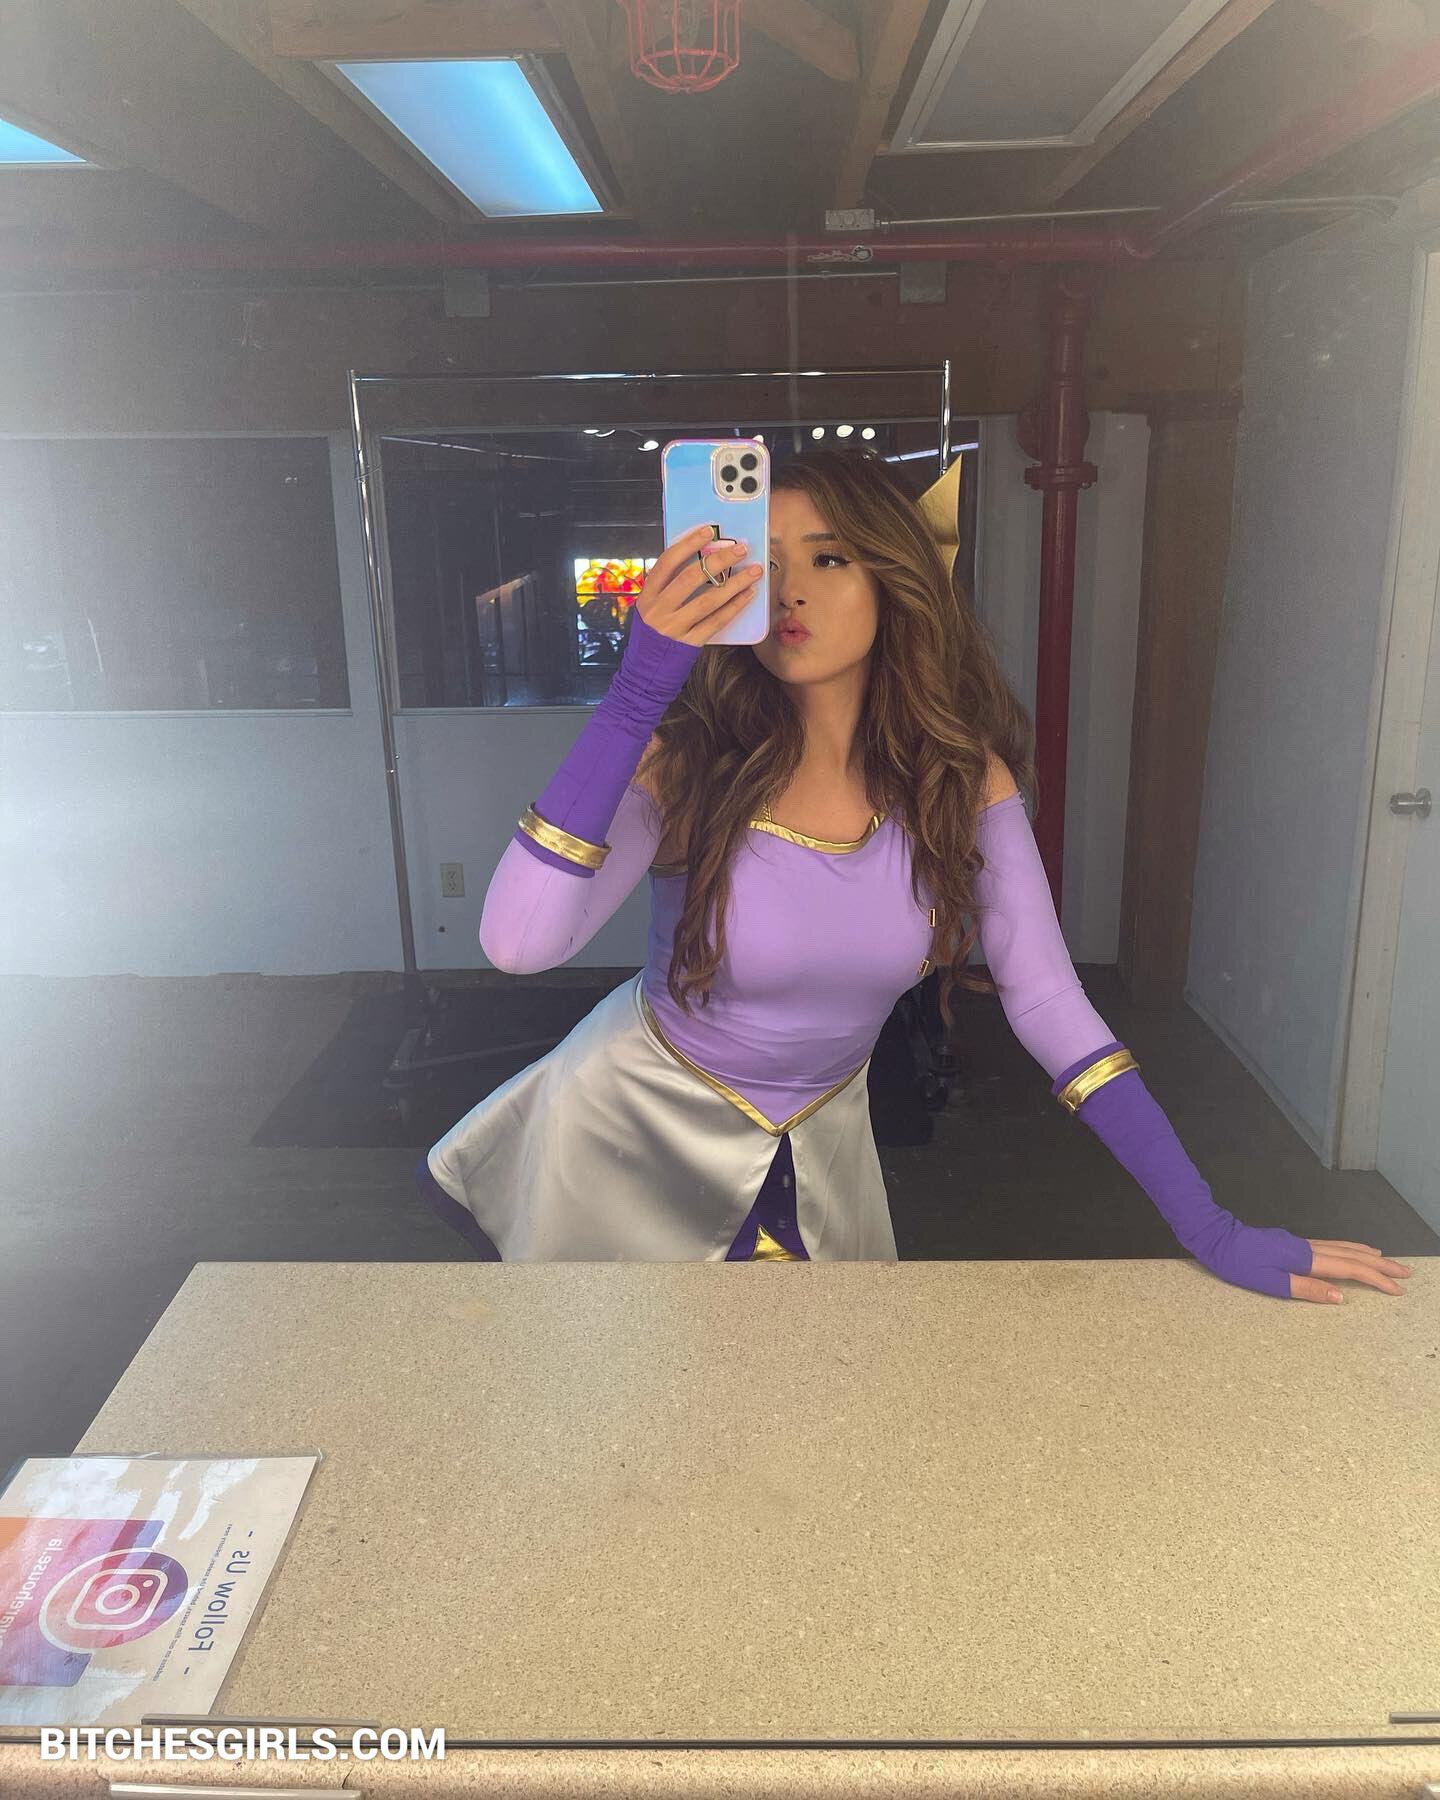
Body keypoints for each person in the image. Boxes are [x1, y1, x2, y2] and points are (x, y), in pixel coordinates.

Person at [416, 449, 1411, 1304]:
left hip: (821, 1146)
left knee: (819, 1421)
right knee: (628, 1422)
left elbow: (1050, 1004)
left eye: (830, 557)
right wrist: (637, 695)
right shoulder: (686, 766)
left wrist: (1210, 1226)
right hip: (629, 1137)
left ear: (897, 579)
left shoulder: (961, 782)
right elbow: (518, 944)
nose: (790, 591)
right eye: (765, 561)